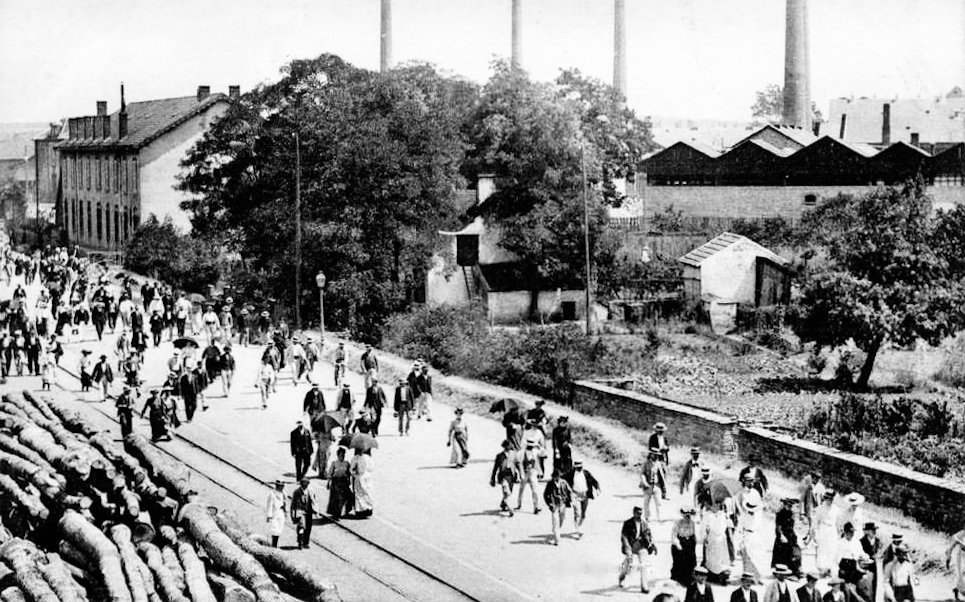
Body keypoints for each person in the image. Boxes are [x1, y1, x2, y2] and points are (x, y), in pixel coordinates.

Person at [619, 506, 657, 592]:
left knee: (644, 564)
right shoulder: (627, 523)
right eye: (638, 513)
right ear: (634, 513)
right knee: (628, 564)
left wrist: (653, 545)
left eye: (641, 513)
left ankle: (644, 586)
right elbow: (624, 537)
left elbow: (649, 535)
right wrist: (628, 549)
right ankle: (621, 578)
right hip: (630, 546)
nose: (639, 515)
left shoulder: (644, 523)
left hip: (641, 546)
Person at [562, 459, 600, 539]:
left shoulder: (586, 473)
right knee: (577, 512)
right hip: (574, 494)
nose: (579, 469)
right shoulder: (571, 474)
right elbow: (562, 478)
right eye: (577, 468)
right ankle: (577, 530)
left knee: (583, 514)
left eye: (580, 467)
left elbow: (593, 481)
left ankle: (579, 526)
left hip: (584, 494)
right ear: (575, 467)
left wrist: (597, 488)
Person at [703, 500, 733, 585]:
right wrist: (705, 537)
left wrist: (727, 517)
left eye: (718, 505)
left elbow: (728, 525)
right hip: (712, 538)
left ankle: (723, 575)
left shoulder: (722, 514)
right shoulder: (707, 515)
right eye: (714, 505)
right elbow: (704, 528)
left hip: (721, 538)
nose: (716, 506)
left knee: (722, 558)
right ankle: (713, 575)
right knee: (713, 558)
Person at [738, 498, 766, 583]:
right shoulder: (743, 516)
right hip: (746, 536)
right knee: (747, 558)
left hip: (756, 537)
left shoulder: (758, 516)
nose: (751, 512)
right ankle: (748, 577)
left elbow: (761, 528)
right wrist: (740, 541)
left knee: (757, 558)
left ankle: (758, 577)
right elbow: (739, 529)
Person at [772, 497, 802, 578]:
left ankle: (794, 571)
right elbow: (778, 526)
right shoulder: (780, 513)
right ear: (785, 505)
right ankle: (781, 572)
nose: (789, 507)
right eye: (788, 505)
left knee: (795, 552)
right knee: (782, 554)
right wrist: (781, 536)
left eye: (791, 505)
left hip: (791, 535)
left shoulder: (790, 513)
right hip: (783, 536)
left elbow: (792, 525)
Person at [812, 490, 839, 577]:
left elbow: (838, 523)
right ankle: (822, 570)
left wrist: (838, 534)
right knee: (822, 550)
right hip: (823, 530)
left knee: (832, 550)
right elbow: (815, 522)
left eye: (831, 499)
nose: (830, 501)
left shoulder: (836, 509)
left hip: (832, 531)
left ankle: (829, 569)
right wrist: (815, 534)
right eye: (828, 499)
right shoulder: (820, 508)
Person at [542, 469, 572, 546]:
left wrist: (569, 499)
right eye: (555, 476)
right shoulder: (550, 484)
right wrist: (549, 504)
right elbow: (545, 494)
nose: (556, 478)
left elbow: (569, 491)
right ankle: (557, 539)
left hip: (562, 504)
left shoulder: (564, 482)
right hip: (554, 504)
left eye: (557, 476)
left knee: (562, 519)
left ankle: (556, 531)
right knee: (555, 521)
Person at [671, 505, 700, 585]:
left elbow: (693, 534)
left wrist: (694, 542)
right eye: (686, 516)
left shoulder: (692, 523)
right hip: (680, 543)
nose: (688, 518)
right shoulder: (678, 523)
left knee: (691, 561)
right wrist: (678, 545)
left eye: (689, 516)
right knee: (681, 561)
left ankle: (690, 579)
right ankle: (680, 578)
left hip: (689, 543)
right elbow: (674, 536)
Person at [490, 440, 520, 517]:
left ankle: (503, 504)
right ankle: (510, 510)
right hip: (503, 476)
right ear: (505, 446)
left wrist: (520, 474)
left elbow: (517, 465)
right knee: (507, 493)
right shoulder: (500, 456)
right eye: (509, 445)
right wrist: (493, 478)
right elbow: (495, 468)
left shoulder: (514, 454)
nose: (510, 446)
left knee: (509, 492)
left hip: (511, 476)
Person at [290, 478, 320, 549]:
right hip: (300, 512)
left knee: (308, 527)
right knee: (301, 526)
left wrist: (316, 510)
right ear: (301, 484)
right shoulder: (297, 492)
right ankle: (300, 541)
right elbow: (293, 504)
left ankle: (306, 542)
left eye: (307, 484)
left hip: (309, 512)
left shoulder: (310, 491)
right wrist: (293, 514)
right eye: (304, 484)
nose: (305, 485)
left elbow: (314, 501)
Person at [640, 448, 667, 521]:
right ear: (651, 455)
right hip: (648, 485)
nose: (656, 456)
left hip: (656, 485)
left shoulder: (658, 463)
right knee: (646, 502)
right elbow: (642, 474)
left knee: (659, 502)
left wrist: (663, 487)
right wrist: (645, 483)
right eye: (654, 455)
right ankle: (647, 517)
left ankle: (659, 517)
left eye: (657, 455)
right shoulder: (646, 463)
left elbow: (662, 475)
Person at [326, 447, 353, 519]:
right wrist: (328, 482)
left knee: (349, 496)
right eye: (340, 455)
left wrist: (348, 478)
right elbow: (330, 473)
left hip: (344, 482)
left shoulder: (347, 463)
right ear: (338, 455)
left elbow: (350, 473)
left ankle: (347, 511)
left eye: (343, 455)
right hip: (336, 482)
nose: (342, 456)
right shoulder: (334, 463)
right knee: (337, 499)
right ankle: (336, 513)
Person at [516, 441, 542, 514]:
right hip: (524, 473)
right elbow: (520, 463)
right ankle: (519, 503)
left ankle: (536, 506)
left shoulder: (535, 451)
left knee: (535, 490)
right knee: (521, 489)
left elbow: (543, 453)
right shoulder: (522, 452)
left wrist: (539, 447)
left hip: (532, 472)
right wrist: (521, 474)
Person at [860, 522, 882, 602]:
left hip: (874, 567)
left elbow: (879, 552)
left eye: (875, 530)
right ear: (867, 531)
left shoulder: (877, 541)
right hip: (865, 567)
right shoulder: (861, 542)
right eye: (872, 530)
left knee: (874, 587)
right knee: (866, 589)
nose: (874, 532)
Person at [351, 449, 374, 519]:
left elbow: (371, 468)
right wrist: (355, 473)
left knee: (366, 493)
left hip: (365, 478)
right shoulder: (356, 458)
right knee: (360, 494)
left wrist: (366, 473)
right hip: (360, 478)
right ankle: (361, 510)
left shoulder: (366, 458)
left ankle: (367, 509)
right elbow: (352, 469)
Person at [265, 480, 287, 547]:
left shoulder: (284, 493)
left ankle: (275, 544)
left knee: (280, 529)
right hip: (274, 513)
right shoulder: (272, 494)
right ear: (277, 486)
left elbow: (285, 503)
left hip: (281, 512)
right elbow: (269, 505)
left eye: (282, 486)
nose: (282, 487)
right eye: (280, 486)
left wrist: (286, 511)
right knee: (274, 529)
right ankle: (274, 545)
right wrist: (269, 515)